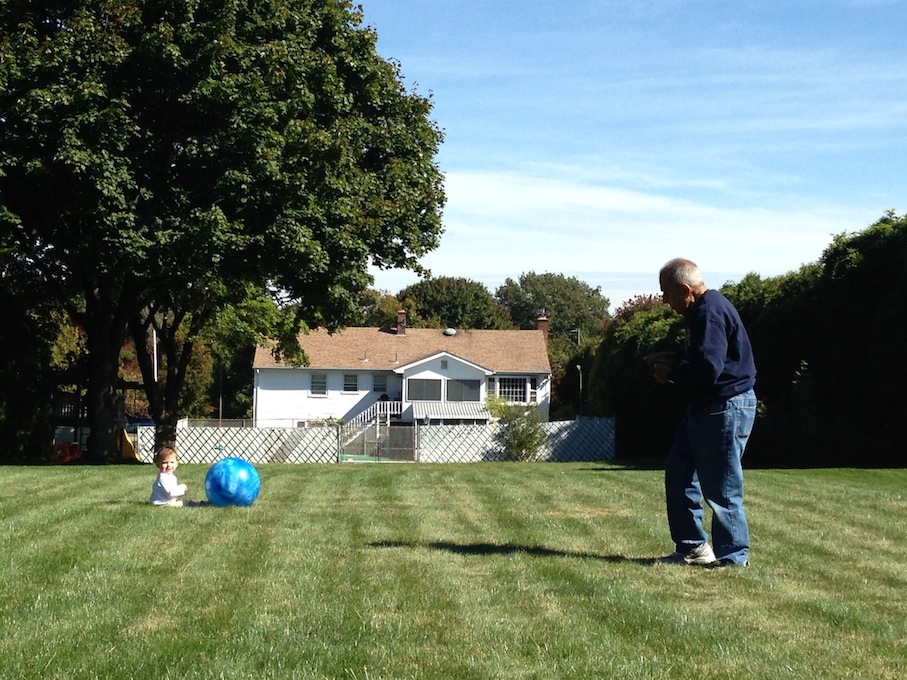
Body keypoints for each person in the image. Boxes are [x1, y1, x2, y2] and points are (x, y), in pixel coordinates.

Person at [645, 258, 757, 568]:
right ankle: (693, 547)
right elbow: (703, 356)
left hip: (724, 406)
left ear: (685, 289)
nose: (664, 300)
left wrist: (670, 373)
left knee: (722, 487)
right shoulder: (701, 312)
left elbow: (708, 369)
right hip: (707, 407)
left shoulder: (709, 313)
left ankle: (733, 557)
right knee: (679, 473)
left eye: (666, 293)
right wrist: (673, 356)